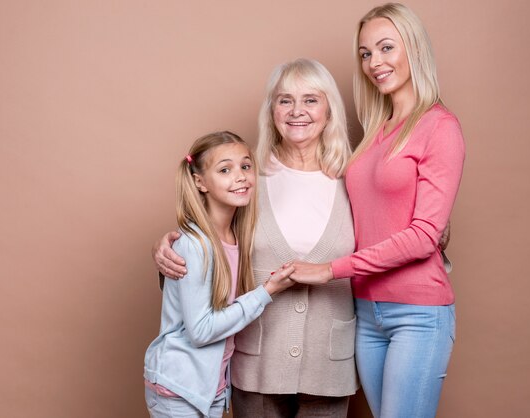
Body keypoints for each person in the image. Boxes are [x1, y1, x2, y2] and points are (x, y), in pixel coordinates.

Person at [152, 59, 359, 417]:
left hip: (330, 362)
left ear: (329, 110)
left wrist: (435, 229)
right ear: (271, 111)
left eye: (311, 100)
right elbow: (210, 238)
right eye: (284, 100)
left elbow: (392, 241)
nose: (297, 111)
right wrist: (167, 248)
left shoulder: (355, 179)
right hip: (257, 362)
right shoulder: (249, 179)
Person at [289, 4, 466, 418]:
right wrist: (192, 235)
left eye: (386, 48)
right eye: (366, 53)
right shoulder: (376, 131)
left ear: (415, 49)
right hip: (365, 312)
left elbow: (423, 237)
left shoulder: (440, 127)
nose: (375, 63)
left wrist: (329, 269)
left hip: (418, 315)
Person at [144, 131, 295, 418]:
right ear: (200, 182)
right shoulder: (195, 244)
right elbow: (201, 331)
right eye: (225, 169)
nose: (240, 176)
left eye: (245, 166)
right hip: (180, 388)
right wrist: (266, 292)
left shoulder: (238, 235)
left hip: (211, 387)